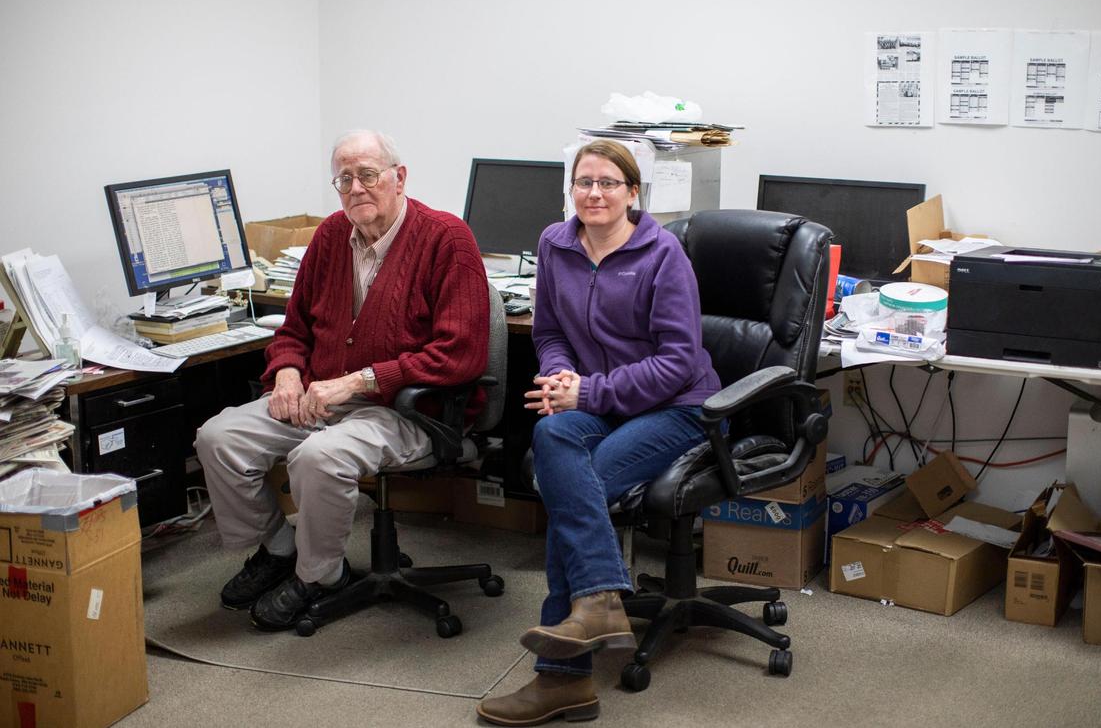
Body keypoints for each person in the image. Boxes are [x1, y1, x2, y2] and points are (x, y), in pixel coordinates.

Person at [195, 130, 489, 631]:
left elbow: (459, 355)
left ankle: (321, 576)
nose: (356, 188)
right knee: (218, 438)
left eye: (368, 175)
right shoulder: (332, 235)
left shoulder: (447, 239)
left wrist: (358, 381)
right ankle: (280, 549)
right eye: (345, 178)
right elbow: (293, 329)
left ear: (400, 178)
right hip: (321, 396)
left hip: (408, 409)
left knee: (317, 457)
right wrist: (286, 372)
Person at [476, 140, 720, 726]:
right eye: (584, 182)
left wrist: (587, 393)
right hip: (600, 399)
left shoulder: (663, 255)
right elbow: (549, 329)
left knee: (572, 489)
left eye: (608, 183)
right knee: (552, 440)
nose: (594, 194)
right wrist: (559, 375)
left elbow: (678, 363)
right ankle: (601, 600)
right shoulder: (555, 244)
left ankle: (564, 677)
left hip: (678, 407)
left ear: (633, 193)